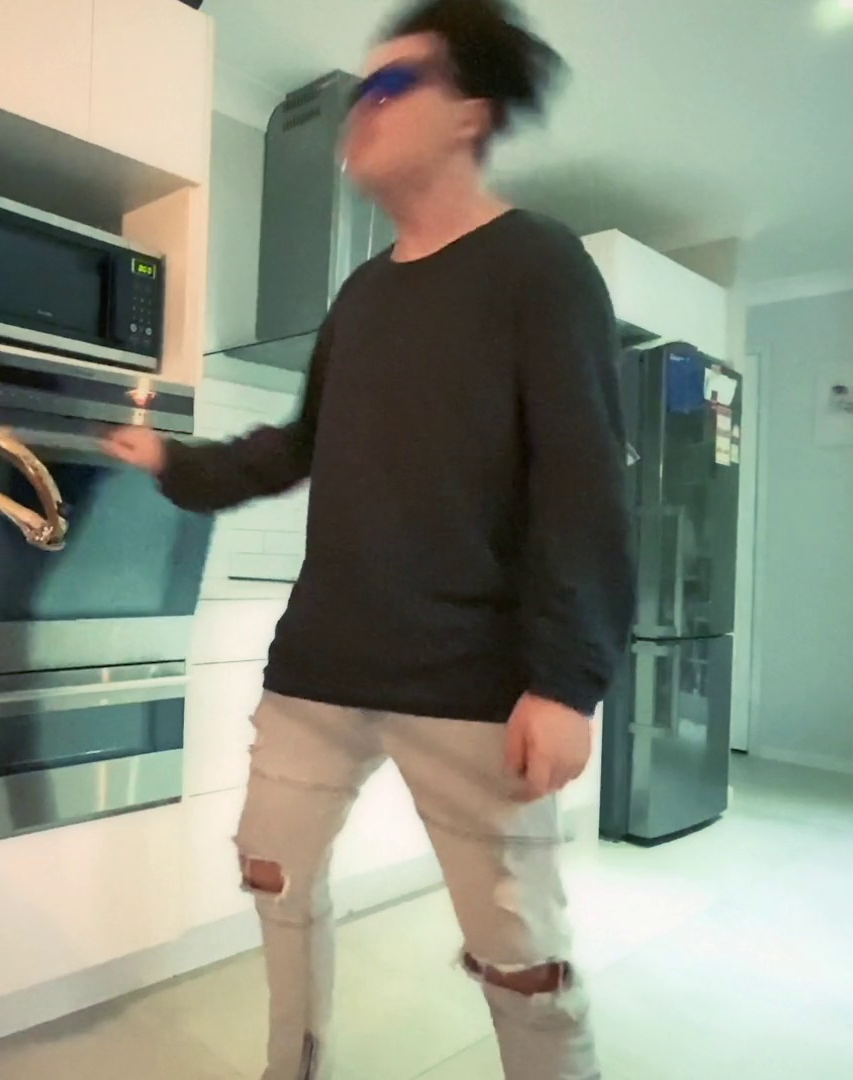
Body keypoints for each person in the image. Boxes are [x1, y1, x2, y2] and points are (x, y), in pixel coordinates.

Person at [104, 2, 630, 1077]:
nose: (363, 108)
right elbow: (300, 444)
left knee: (521, 958)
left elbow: (583, 479)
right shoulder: (362, 294)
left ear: (469, 115)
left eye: (393, 86)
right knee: (272, 875)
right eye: (361, 89)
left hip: (472, 682)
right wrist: (177, 464)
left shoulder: (540, 264)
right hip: (321, 666)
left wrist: (568, 680)